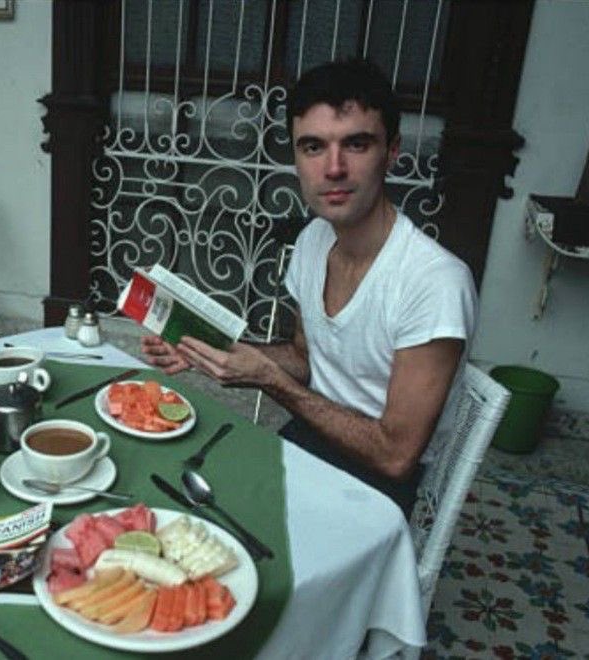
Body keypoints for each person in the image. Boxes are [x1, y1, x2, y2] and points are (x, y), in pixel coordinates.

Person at [141, 59, 477, 517]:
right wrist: (210, 350)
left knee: (233, 540)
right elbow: (303, 358)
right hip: (312, 441)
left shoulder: (434, 281)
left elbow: (395, 457)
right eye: (313, 147)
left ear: (392, 151)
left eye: (356, 144)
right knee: (176, 487)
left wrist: (270, 383)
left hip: (379, 488)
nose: (333, 168)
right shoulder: (314, 239)